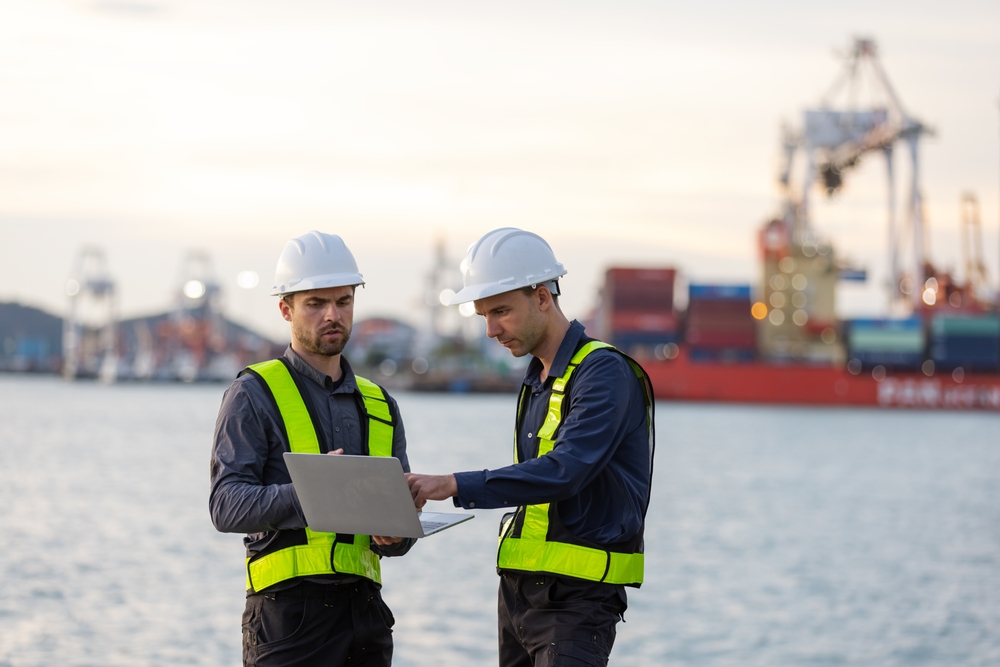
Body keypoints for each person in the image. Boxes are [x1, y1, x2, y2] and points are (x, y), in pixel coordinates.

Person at [406, 228, 655, 667]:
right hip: (520, 597)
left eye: (501, 311)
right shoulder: (537, 380)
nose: (490, 330)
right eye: (483, 315)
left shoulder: (604, 373)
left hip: (577, 602)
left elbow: (566, 470)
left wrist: (452, 484)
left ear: (543, 297)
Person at [210, 230, 414, 667]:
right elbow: (225, 505)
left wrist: (397, 534)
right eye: (316, 304)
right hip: (288, 623)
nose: (332, 315)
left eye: (343, 301)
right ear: (285, 309)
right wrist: (313, 491)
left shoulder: (380, 405)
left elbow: (395, 539)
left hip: (367, 620)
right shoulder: (253, 393)